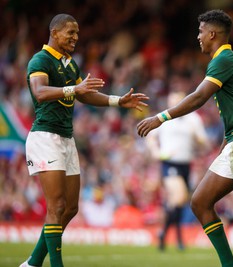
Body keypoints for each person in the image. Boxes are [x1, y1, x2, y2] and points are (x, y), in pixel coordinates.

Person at [137, 9, 233, 267]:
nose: (198, 36)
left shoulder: (224, 60)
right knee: (200, 202)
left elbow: (198, 97)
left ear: (212, 33)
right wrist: (227, 143)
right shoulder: (231, 60)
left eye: (201, 31)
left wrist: (160, 118)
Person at [21, 14, 149, 267]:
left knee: (70, 209)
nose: (75, 38)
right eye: (70, 32)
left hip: (67, 139)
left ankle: (33, 263)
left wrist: (116, 100)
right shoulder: (40, 60)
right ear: (54, 32)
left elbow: (85, 95)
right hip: (45, 137)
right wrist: (73, 89)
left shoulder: (70, 64)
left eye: (77, 33)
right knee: (56, 205)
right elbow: (40, 92)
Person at [146, 91, 210, 251]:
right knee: (179, 196)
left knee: (178, 202)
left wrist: (199, 141)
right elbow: (151, 137)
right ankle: (177, 236)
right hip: (169, 163)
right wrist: (156, 152)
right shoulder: (164, 118)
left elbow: (204, 143)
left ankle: (166, 234)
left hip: (186, 164)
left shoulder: (193, 119)